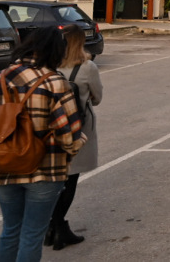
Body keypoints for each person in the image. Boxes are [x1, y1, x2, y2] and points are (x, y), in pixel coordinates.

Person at [0, 26, 87, 262]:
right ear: (57, 50)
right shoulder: (55, 83)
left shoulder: (1, 78)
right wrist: (79, 143)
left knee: (10, 230)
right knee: (32, 234)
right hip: (45, 169)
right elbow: (68, 137)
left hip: (4, 165)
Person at [47, 25, 103, 250]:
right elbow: (97, 98)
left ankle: (51, 227)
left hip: (52, 125)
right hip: (78, 126)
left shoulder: (50, 64)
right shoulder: (87, 67)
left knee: (54, 177)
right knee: (70, 178)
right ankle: (60, 228)